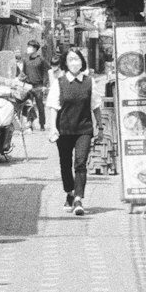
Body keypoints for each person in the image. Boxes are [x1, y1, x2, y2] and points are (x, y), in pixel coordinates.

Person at [46, 47, 103, 216]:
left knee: (80, 163)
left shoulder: (89, 82)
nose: (74, 63)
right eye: (70, 59)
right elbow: (53, 107)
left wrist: (100, 126)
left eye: (77, 59)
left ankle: (78, 198)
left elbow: (96, 105)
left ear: (82, 62)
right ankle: (69, 192)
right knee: (65, 163)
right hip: (64, 129)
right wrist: (52, 127)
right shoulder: (60, 82)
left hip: (83, 129)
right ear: (65, 63)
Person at [21, 38, 48, 130]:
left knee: (40, 105)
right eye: (28, 46)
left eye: (30, 47)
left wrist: (44, 85)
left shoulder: (41, 60)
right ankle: (30, 123)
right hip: (28, 85)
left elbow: (45, 73)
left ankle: (42, 124)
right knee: (27, 105)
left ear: (35, 49)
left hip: (38, 86)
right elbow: (23, 72)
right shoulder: (25, 60)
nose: (28, 48)